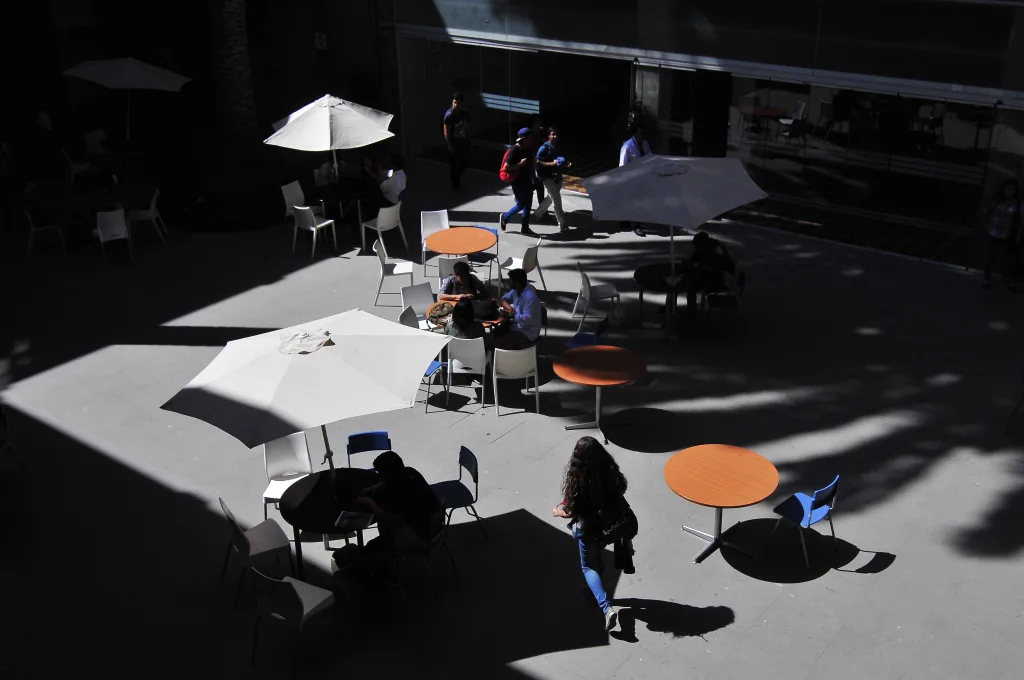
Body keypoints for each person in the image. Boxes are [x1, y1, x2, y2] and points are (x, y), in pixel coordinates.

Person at [552, 436, 628, 632]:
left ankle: (606, 608)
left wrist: (557, 511)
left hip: (587, 529)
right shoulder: (610, 471)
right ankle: (594, 590)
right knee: (597, 557)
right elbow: (622, 487)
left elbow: (570, 511)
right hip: (607, 526)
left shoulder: (579, 481)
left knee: (587, 567)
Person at [355, 451, 442, 549]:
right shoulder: (409, 471)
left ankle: (392, 552)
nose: (380, 475)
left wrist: (369, 502)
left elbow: (385, 517)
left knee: (382, 532)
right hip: (434, 522)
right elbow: (390, 482)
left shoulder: (399, 492)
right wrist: (376, 486)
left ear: (387, 473)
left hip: (420, 535)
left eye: (381, 472)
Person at [981, 178, 1020, 290]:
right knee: (990, 258)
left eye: (1011, 189)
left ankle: (1009, 281)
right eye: (1007, 189)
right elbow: (987, 211)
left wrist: (1017, 233)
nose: (1009, 191)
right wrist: (986, 223)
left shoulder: (1016, 203)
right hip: (993, 231)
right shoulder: (996, 200)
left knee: (1006, 260)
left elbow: (1017, 219)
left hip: (1006, 234)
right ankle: (986, 279)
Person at [687, 231, 737, 317]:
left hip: (710, 284)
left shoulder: (712, 258)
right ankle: (692, 312)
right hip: (714, 284)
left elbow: (731, 266)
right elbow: (731, 266)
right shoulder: (711, 256)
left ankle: (692, 313)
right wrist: (722, 247)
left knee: (690, 289)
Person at [533, 126, 571, 232]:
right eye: (553, 134)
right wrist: (551, 164)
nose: (555, 136)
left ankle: (538, 214)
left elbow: (560, 159)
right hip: (548, 178)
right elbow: (537, 162)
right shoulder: (544, 148)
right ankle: (562, 225)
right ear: (549, 135)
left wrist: (566, 163)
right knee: (557, 201)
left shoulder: (558, 146)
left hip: (557, 177)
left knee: (551, 197)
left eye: (557, 134)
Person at [498, 128, 536, 236]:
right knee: (521, 204)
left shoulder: (528, 149)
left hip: (527, 180)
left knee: (528, 204)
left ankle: (525, 227)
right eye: (530, 137)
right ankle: (505, 217)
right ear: (525, 138)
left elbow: (530, 164)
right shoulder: (514, 150)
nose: (532, 139)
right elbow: (506, 168)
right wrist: (520, 164)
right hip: (518, 182)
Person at [619, 122, 652, 237]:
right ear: (635, 133)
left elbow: (649, 159)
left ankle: (632, 222)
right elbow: (622, 165)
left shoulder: (646, 145)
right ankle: (635, 225)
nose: (641, 135)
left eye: (642, 133)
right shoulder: (627, 146)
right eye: (639, 132)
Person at [496, 268, 542, 349]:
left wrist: (511, 315)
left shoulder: (530, 298)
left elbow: (528, 318)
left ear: (516, 282)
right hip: (514, 326)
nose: (509, 282)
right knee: (493, 335)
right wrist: (509, 308)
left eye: (510, 280)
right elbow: (503, 299)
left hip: (527, 332)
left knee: (500, 343)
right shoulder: (515, 290)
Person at [443, 93, 470, 191]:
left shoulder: (464, 114)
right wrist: (450, 144)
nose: (456, 105)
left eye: (458, 103)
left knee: (465, 162)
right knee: (454, 164)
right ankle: (455, 185)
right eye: (454, 102)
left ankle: (458, 176)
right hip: (454, 142)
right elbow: (446, 130)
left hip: (463, 141)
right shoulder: (450, 115)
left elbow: (467, 126)